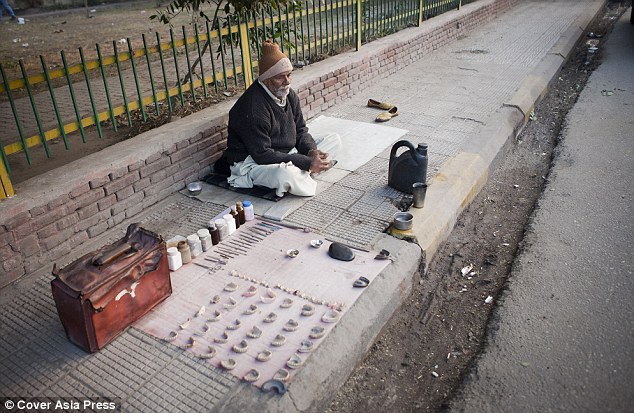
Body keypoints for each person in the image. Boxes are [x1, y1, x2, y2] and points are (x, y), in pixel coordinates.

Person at [219, 40, 341, 197]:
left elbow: (301, 131)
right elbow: (262, 155)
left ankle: (307, 169)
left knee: (334, 140)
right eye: (280, 77)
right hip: (254, 161)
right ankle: (307, 170)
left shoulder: (289, 94)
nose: (287, 81)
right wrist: (305, 162)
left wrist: (312, 152)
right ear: (266, 79)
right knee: (286, 175)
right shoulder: (252, 108)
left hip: (286, 152)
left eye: (289, 75)